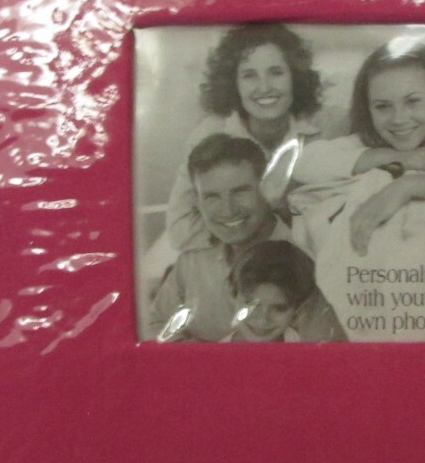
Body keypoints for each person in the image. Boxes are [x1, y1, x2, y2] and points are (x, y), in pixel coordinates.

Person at [147, 134, 347, 343]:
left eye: (240, 192)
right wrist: (210, 358)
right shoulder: (193, 260)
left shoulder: (307, 254)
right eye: (212, 196)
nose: (227, 210)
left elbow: (323, 348)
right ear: (197, 201)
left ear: (267, 188)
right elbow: (157, 327)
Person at [162, 23, 338, 252]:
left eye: (276, 72)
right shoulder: (210, 134)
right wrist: (260, 222)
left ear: (295, 77)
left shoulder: (330, 126)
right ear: (233, 84)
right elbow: (181, 230)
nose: (264, 87)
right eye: (249, 76)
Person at [290, 38, 425, 256]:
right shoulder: (368, 142)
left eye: (412, 101)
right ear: (368, 108)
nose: (398, 119)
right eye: (382, 106)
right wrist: (396, 157)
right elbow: (305, 163)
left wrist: (407, 186)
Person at [223, 240, 318, 343]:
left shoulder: (308, 344)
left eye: (279, 308)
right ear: (232, 294)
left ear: (297, 309)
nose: (262, 320)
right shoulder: (216, 352)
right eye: (251, 304)